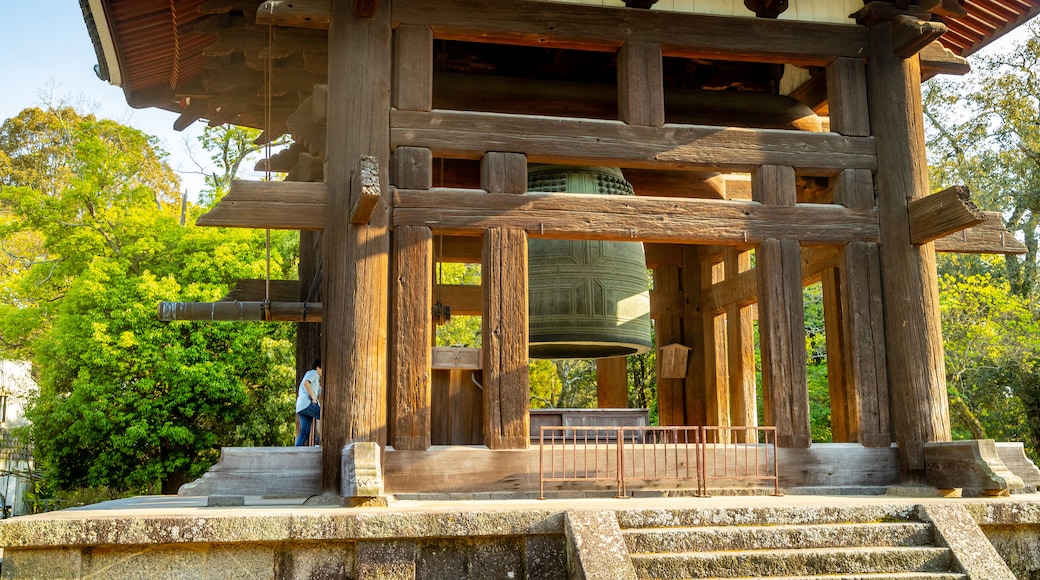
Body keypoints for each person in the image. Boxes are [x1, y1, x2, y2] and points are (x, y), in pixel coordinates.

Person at [294, 358, 322, 446]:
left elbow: (319, 390)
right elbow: (306, 383)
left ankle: (296, 452)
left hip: (301, 406)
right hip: (307, 403)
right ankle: (319, 441)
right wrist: (313, 396)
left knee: (305, 432)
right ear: (318, 367)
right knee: (327, 418)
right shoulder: (313, 373)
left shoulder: (316, 380)